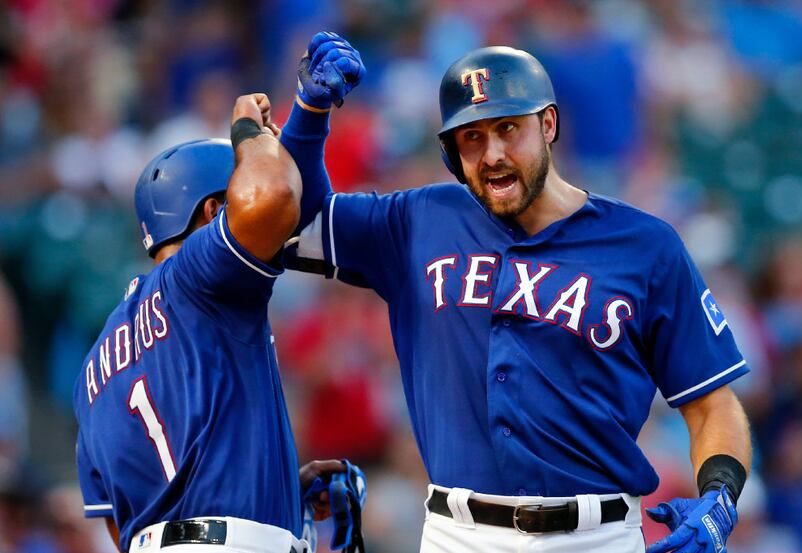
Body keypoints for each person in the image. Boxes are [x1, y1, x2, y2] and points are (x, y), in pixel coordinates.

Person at [282, 42, 752, 553]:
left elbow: (712, 405)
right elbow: (287, 220)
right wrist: (309, 117)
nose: (493, 154)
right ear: (451, 154)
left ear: (548, 125)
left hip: (598, 537)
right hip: (457, 535)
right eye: (472, 137)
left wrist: (720, 499)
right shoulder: (416, 221)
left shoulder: (644, 246)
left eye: (509, 127)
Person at [73, 32, 366, 553]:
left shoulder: (93, 367)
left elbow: (123, 526)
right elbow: (274, 198)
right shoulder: (199, 274)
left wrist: (277, 494)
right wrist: (247, 129)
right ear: (213, 213)